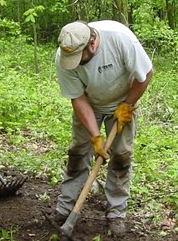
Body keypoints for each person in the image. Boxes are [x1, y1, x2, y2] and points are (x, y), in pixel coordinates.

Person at [53, 20, 153, 236]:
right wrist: (96, 137)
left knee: (121, 156)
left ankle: (116, 214)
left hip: (122, 101)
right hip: (90, 103)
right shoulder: (64, 55)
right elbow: (77, 98)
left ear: (92, 43)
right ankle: (65, 208)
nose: (75, 63)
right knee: (78, 152)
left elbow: (145, 75)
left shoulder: (120, 39)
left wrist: (127, 105)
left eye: (80, 58)